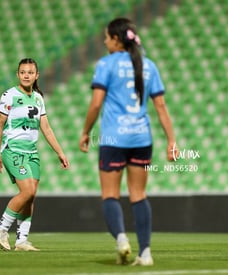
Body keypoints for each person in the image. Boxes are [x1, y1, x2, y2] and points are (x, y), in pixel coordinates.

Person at [79, 18, 178, 266]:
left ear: (116, 39)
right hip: (142, 137)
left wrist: (85, 132)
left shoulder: (106, 64)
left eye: (106, 37)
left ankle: (122, 239)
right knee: (139, 194)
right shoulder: (149, 65)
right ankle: (145, 253)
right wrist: (171, 141)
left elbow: (96, 103)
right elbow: (161, 106)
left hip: (114, 137)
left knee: (110, 194)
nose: (104, 41)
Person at [0, 58, 69, 251]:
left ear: (37, 75)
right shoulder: (9, 95)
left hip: (31, 152)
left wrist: (60, 152)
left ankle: (21, 241)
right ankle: (1, 228)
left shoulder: (38, 98)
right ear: (18, 75)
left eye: (30, 72)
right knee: (26, 191)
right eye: (23, 72)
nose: (26, 75)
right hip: (12, 149)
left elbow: (47, 128)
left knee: (31, 196)